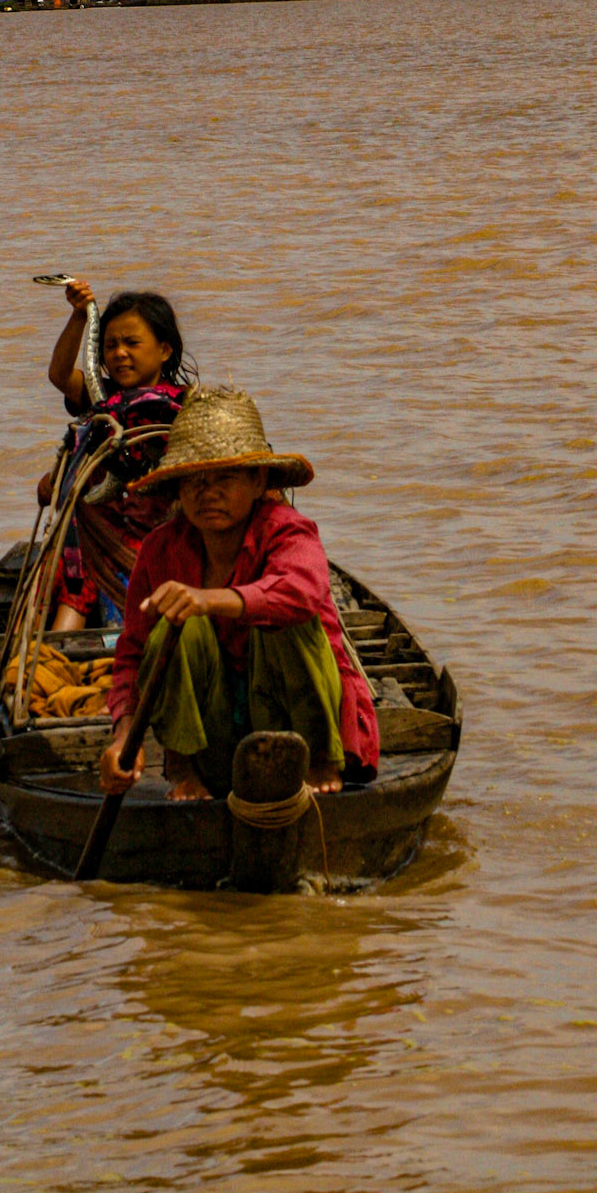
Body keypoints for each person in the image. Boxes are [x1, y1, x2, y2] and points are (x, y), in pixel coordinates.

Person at [98, 386, 379, 802]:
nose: (207, 492)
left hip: (293, 730)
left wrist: (209, 599)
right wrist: (124, 736)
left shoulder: (287, 530)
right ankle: (183, 767)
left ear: (257, 479)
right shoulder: (160, 549)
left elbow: (301, 592)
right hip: (214, 736)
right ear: (177, 489)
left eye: (224, 477)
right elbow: (133, 654)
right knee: (176, 627)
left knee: (288, 621)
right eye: (193, 480)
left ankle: (319, 759)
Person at [42, 281, 193, 633]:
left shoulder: (186, 404)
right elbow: (59, 375)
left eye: (132, 343)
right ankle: (54, 658)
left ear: (164, 350)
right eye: (110, 346)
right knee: (74, 588)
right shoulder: (101, 397)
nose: (120, 353)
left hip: (158, 534)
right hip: (98, 533)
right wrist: (80, 316)